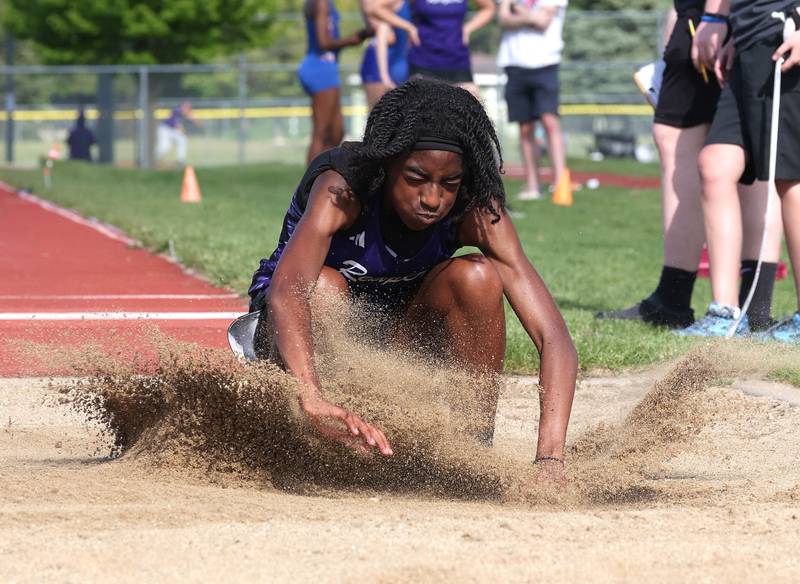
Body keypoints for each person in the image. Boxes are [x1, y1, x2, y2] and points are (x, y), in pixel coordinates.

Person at [245, 79, 577, 468]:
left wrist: (550, 460)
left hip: (396, 339)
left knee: (478, 277)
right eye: (416, 178)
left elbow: (553, 336)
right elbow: (288, 291)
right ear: (387, 167)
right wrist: (311, 396)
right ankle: (318, 437)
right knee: (323, 288)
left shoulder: (474, 209)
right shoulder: (343, 188)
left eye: (448, 183)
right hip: (295, 333)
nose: (433, 198)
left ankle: (469, 454)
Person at [597, 0, 782, 333]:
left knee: (749, 155)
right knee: (725, 150)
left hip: (726, 18)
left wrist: (714, 17)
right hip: (705, 17)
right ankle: (724, 304)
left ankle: (731, 304)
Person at [684, 1, 800, 339]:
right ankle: (724, 314)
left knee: (790, 178)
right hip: (751, 36)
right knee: (715, 164)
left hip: (784, 33)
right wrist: (737, 33)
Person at [497, 0, 568, 200]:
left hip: (546, 63)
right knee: (525, 128)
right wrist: (529, 15)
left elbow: (543, 22)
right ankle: (532, 185)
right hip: (515, 64)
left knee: (550, 121)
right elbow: (503, 19)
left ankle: (560, 183)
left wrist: (516, 7)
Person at [369, 0, 495, 99]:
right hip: (424, 61)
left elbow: (489, 8)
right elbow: (377, 8)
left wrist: (468, 28)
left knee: (472, 110)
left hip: (457, 60)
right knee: (425, 117)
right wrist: (408, 27)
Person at [300, 0, 372, 163]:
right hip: (319, 69)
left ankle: (323, 173)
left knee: (336, 133)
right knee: (321, 132)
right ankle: (308, 185)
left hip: (328, 68)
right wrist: (351, 40)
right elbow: (323, 42)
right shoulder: (321, 2)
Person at [360, 0, 413, 108]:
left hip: (402, 64)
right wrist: (384, 76)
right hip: (380, 65)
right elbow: (371, 11)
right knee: (379, 116)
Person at [156, 102, 200, 167]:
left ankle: (180, 161)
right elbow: (178, 125)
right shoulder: (177, 111)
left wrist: (197, 122)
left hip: (172, 130)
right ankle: (150, 158)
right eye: (187, 108)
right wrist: (185, 133)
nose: (188, 110)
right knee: (165, 147)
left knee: (182, 140)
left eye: (189, 108)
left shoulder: (183, 112)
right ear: (183, 107)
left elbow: (191, 117)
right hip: (165, 129)